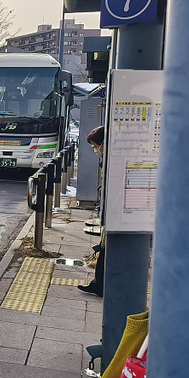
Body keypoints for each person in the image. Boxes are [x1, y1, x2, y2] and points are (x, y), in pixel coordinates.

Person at [79, 125, 106, 296]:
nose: (96, 150)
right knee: (103, 248)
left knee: (105, 250)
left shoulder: (110, 159)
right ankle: (98, 283)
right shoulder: (106, 159)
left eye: (96, 146)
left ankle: (100, 284)